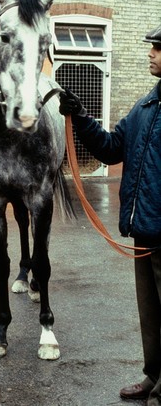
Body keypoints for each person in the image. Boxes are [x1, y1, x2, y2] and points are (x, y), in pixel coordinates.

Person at [59, 25, 161, 406]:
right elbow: (110, 148)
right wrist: (81, 116)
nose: (150, 54)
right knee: (151, 314)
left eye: (158, 48)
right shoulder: (144, 108)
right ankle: (154, 376)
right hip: (145, 232)